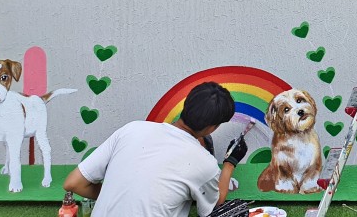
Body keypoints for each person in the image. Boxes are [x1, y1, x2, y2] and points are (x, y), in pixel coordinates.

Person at [63, 81, 249, 216]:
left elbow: (73, 183)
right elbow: (216, 203)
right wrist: (230, 163)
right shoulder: (204, 162)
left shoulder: (131, 129)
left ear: (186, 105)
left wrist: (121, 197)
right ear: (212, 128)